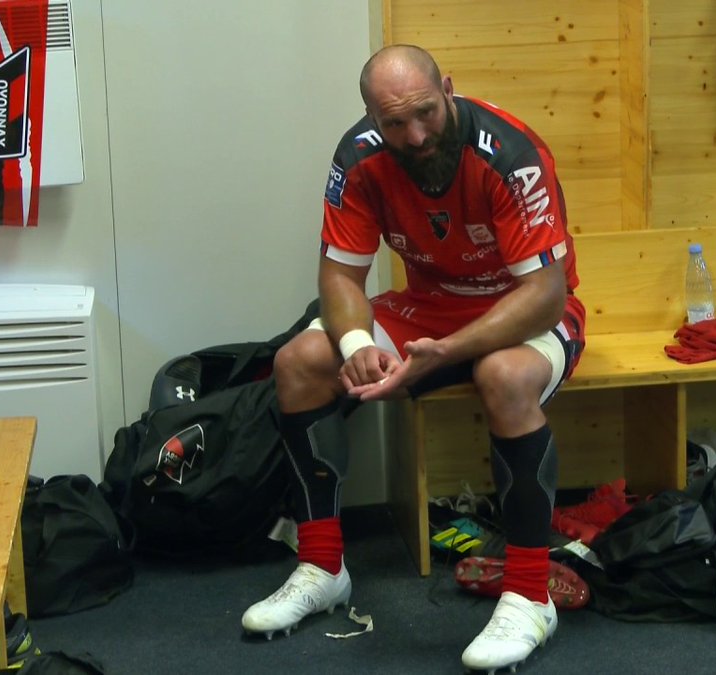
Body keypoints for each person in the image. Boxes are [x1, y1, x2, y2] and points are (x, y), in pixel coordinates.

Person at [241, 44, 587, 672]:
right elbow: (340, 276)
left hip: (524, 309)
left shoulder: (510, 154)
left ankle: (530, 595)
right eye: (395, 122)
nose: (417, 135)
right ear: (373, 117)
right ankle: (321, 567)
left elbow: (545, 294)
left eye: (426, 112)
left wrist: (448, 352)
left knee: (504, 376)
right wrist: (356, 346)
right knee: (300, 361)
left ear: (447, 89)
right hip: (430, 306)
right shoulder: (359, 156)